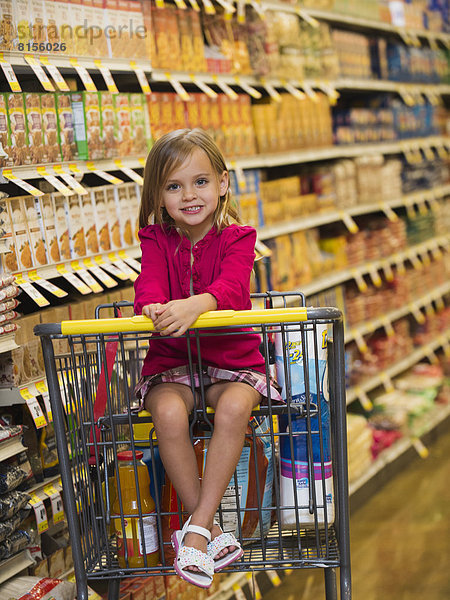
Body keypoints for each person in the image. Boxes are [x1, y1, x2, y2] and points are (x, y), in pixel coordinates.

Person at [134, 128, 281, 588]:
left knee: (236, 407)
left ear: (222, 183)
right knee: (168, 413)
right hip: (173, 363)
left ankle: (194, 528)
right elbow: (149, 285)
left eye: (200, 182)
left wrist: (196, 305)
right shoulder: (156, 239)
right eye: (174, 186)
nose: (189, 195)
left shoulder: (239, 237)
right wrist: (153, 307)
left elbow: (235, 288)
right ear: (158, 195)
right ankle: (209, 529)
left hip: (231, 358)